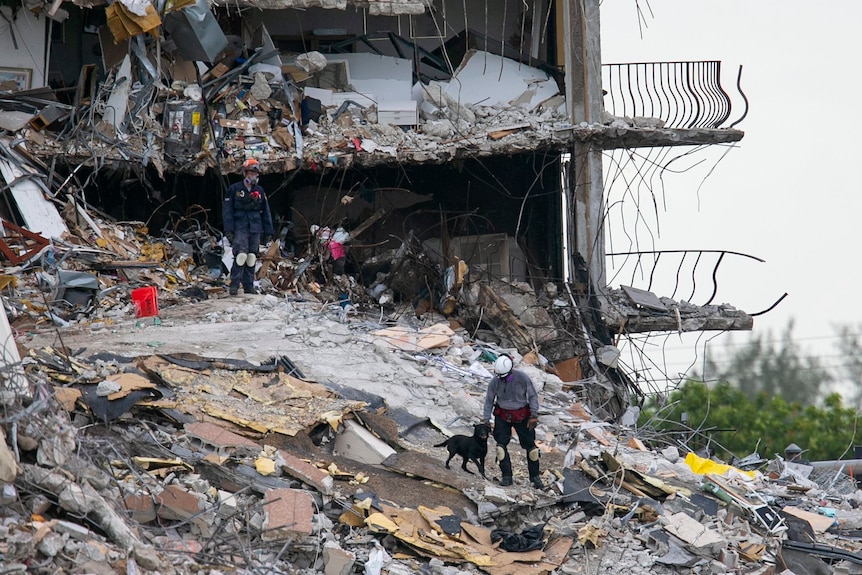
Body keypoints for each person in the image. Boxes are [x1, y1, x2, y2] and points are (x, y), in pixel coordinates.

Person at [482, 354, 543, 489]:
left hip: (521, 414)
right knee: (500, 447)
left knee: (531, 449)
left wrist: (534, 414)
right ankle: (507, 476)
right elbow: (489, 401)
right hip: (502, 414)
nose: (502, 379)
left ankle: (535, 477)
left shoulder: (522, 378)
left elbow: (532, 396)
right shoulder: (495, 382)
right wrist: (486, 419)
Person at [222, 158, 274, 295]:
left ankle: (248, 285)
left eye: (256, 174)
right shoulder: (234, 189)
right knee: (241, 255)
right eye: (251, 173)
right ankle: (234, 284)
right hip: (240, 227)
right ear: (245, 173)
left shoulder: (260, 191)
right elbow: (227, 211)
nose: (254, 176)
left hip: (255, 227)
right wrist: (229, 230)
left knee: (251, 257)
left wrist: (268, 231)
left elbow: (266, 212)